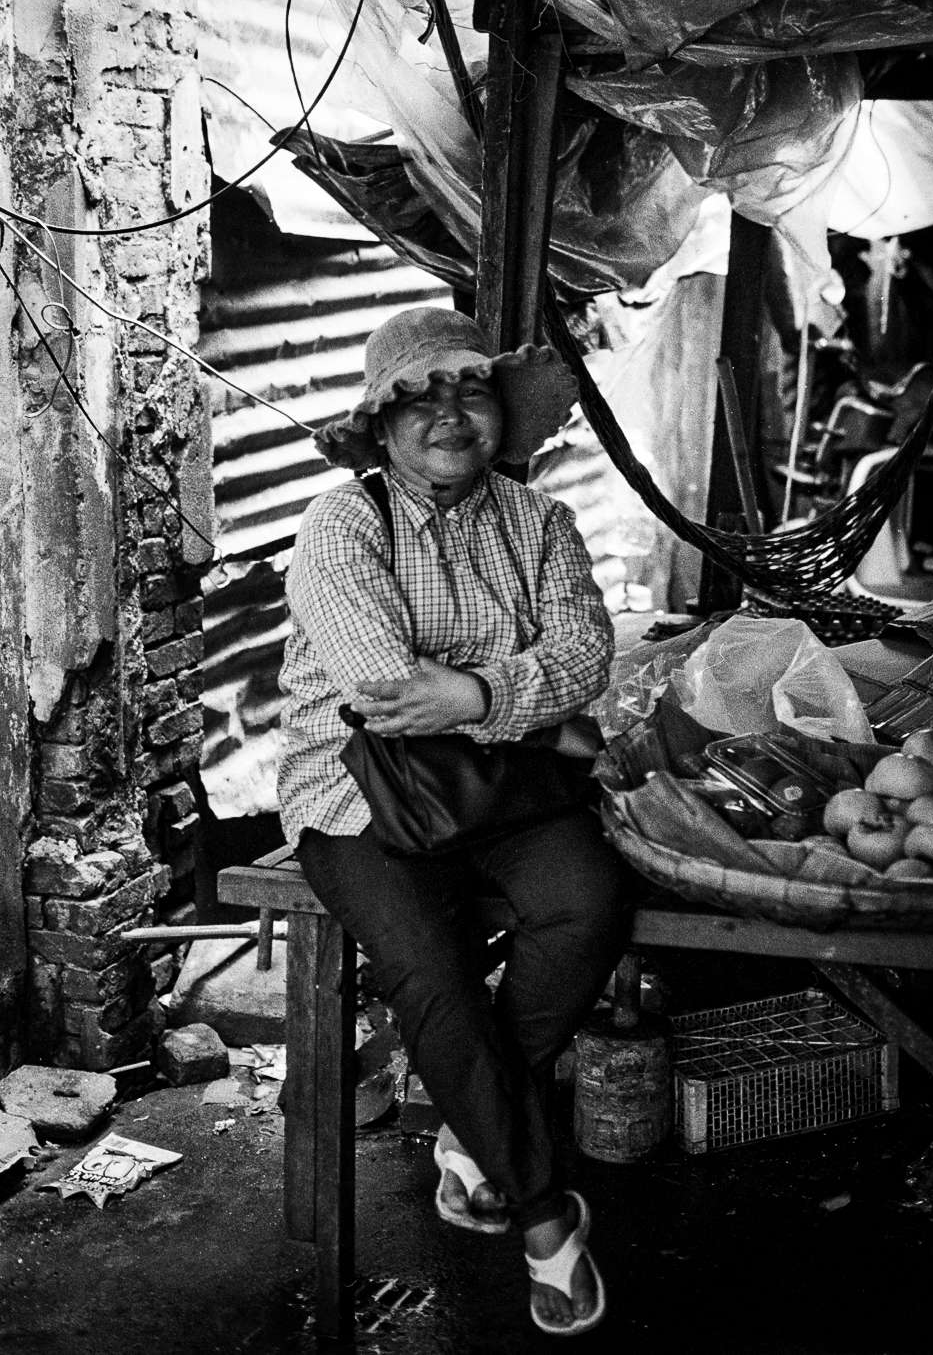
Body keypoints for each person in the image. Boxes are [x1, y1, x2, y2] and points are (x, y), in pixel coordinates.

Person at [277, 305, 624, 1336]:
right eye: (417, 401)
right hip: (355, 788)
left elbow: (586, 655)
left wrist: (469, 696)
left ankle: (473, 1136)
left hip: (499, 783)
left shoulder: (541, 522)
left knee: (589, 903)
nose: (448, 418)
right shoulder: (343, 524)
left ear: (498, 413)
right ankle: (544, 1213)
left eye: (469, 392)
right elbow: (383, 691)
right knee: (428, 967)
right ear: (380, 430)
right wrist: (514, 695)